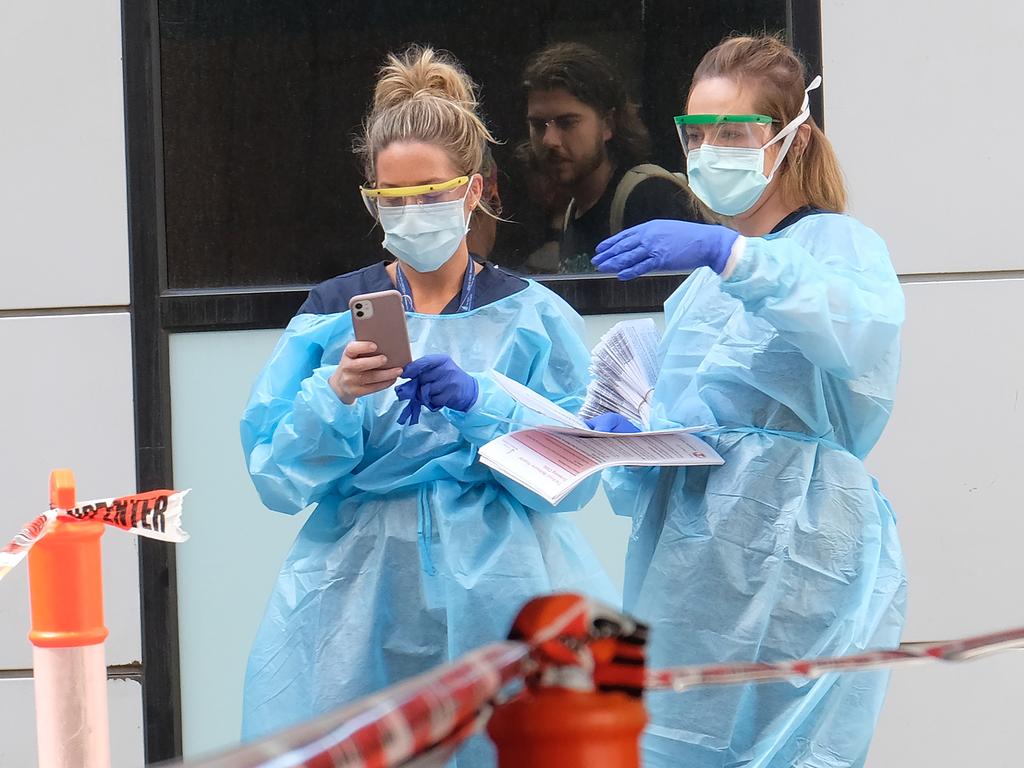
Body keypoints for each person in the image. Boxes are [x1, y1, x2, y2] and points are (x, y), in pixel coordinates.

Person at [239, 45, 615, 765]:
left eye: (430, 194)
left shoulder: (532, 316)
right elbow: (276, 473)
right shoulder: (329, 318)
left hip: (504, 587)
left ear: (474, 191)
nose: (410, 213)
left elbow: (578, 473)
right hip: (358, 595)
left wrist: (485, 405)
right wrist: (336, 395)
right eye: (393, 197)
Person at [588, 35, 907, 767]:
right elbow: (695, 438)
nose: (709, 153)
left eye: (734, 133)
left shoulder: (838, 248)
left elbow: (857, 334)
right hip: (692, 586)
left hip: (802, 565)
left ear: (790, 138)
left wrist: (730, 254)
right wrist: (630, 441)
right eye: (695, 135)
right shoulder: (699, 293)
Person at [522, 41, 699, 273]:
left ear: (607, 124)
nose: (549, 139)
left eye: (567, 123)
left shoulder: (649, 197)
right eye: (538, 125)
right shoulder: (573, 211)